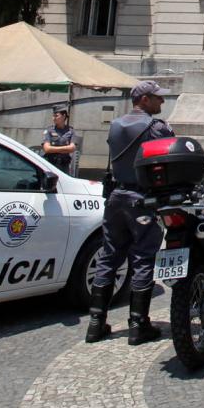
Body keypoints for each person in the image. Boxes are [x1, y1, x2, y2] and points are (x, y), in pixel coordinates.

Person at [86, 80, 175, 346]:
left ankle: (95, 323)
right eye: (157, 98)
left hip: (116, 197)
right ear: (144, 100)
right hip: (142, 199)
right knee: (143, 258)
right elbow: (170, 157)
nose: (162, 102)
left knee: (109, 256)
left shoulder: (115, 125)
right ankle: (138, 324)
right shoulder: (155, 127)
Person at [41, 106, 78, 173]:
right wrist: (66, 149)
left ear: (63, 116)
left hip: (64, 166)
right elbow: (47, 149)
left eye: (56, 116)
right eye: (53, 116)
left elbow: (72, 148)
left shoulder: (71, 131)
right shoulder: (49, 130)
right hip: (50, 164)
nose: (53, 118)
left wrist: (53, 149)